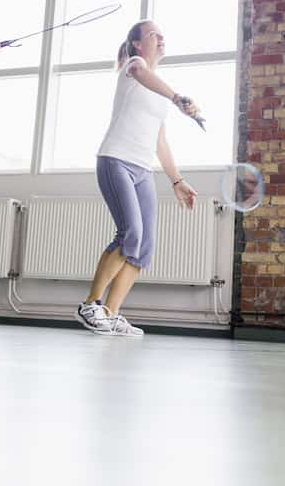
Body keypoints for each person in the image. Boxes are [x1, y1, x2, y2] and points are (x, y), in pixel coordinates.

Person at [76, 20, 200, 337]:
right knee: (130, 232)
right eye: (153, 34)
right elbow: (143, 75)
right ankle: (90, 304)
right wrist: (178, 98)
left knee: (143, 247)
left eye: (162, 33)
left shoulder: (160, 91)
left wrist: (177, 181)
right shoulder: (135, 66)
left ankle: (111, 313)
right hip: (115, 159)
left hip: (143, 170)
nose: (161, 37)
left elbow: (161, 143)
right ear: (136, 45)